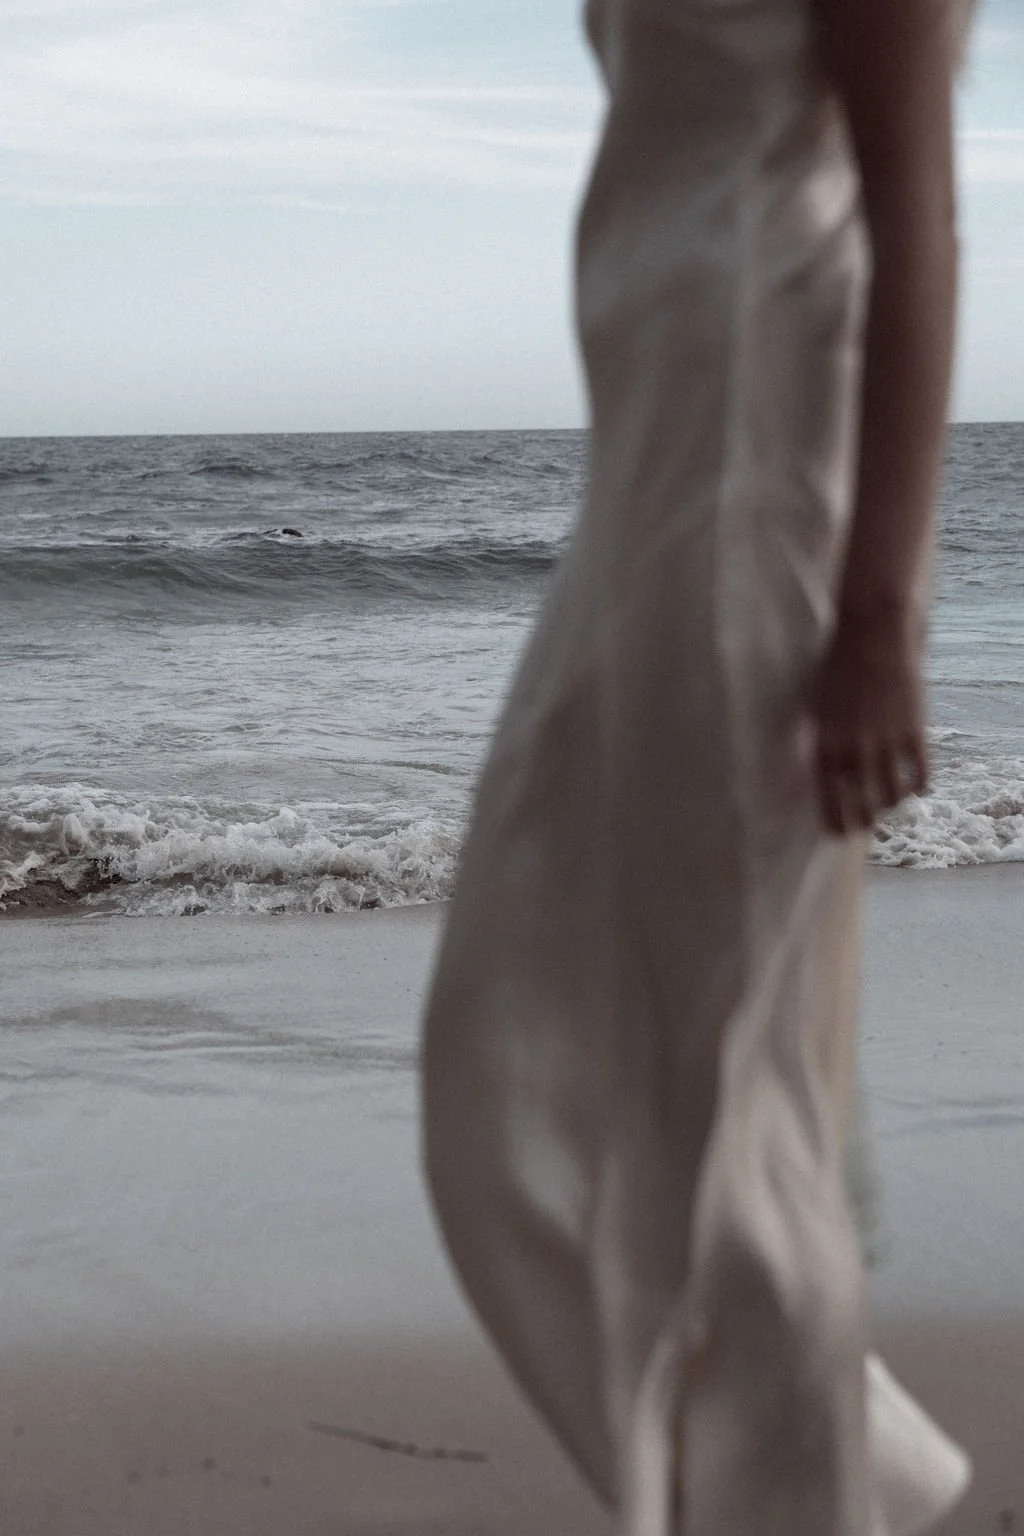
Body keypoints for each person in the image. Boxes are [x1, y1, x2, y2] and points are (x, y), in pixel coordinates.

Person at [422, 0, 976, 1531]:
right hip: (648, 492)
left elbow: (917, 223)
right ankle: (828, 1480)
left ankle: (804, 1492)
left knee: (733, 1098)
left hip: (754, 492)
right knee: (528, 1045)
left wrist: (877, 618)